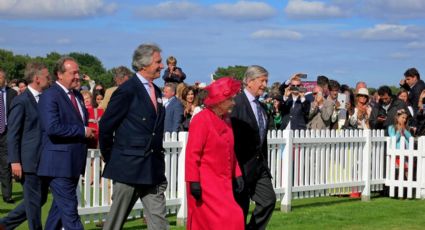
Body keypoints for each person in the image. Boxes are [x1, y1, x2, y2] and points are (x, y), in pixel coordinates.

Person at [99, 43, 169, 230]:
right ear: (144, 64)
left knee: (159, 221)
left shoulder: (158, 91)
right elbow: (106, 126)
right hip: (129, 167)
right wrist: (110, 156)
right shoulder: (127, 90)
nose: (162, 66)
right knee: (115, 222)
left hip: (153, 167)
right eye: (158, 62)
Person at [37, 56, 95, 230]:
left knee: (58, 212)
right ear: (59, 75)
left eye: (78, 72)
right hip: (58, 164)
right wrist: (83, 131)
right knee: (71, 214)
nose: (77, 76)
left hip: (73, 162)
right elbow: (53, 128)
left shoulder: (76, 95)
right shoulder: (50, 95)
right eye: (73, 73)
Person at [185, 77, 244, 230]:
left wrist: (237, 174)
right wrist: (194, 182)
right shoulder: (201, 119)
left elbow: (231, 149)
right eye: (230, 99)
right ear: (220, 101)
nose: (233, 102)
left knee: (233, 218)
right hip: (205, 183)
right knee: (224, 219)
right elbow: (192, 154)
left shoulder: (226, 120)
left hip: (222, 183)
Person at [0, 62, 50, 230]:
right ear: (37, 78)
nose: (49, 78)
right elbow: (12, 134)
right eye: (46, 76)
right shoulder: (21, 101)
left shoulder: (46, 98)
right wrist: (14, 161)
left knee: (39, 199)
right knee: (34, 203)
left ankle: (4, 225)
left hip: (43, 160)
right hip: (27, 162)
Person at [231, 65, 276, 229]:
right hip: (241, 168)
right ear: (249, 81)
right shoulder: (236, 104)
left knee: (268, 200)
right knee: (240, 211)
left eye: (266, 81)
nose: (265, 85)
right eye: (262, 80)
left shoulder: (262, 107)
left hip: (259, 167)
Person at [0, 68, 17, 204]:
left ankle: (7, 195)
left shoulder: (13, 94)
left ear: (4, 79)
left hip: (7, 132)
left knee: (5, 165)